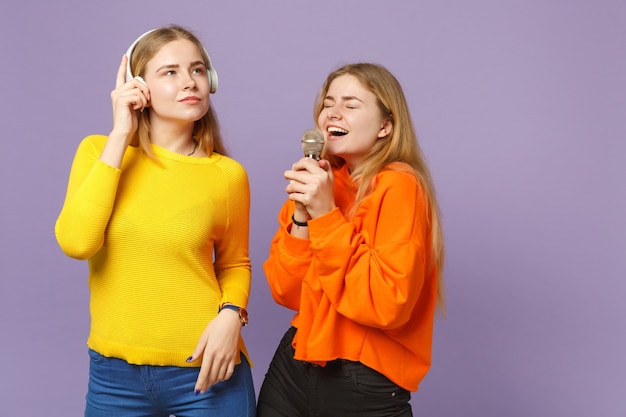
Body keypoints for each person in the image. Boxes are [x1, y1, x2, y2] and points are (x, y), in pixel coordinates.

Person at [55, 25, 255, 417]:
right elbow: (77, 243)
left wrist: (232, 314)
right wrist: (120, 135)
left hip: (207, 372)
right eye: (170, 72)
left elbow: (234, 264)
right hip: (114, 380)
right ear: (137, 86)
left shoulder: (228, 176)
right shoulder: (98, 151)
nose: (190, 82)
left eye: (197, 70)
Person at [256, 63, 445, 417]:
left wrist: (326, 215)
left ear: (386, 126)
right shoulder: (323, 183)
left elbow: (385, 303)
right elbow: (287, 292)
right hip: (294, 366)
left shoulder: (400, 186)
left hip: (362, 378)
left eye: (351, 104)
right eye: (328, 103)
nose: (333, 113)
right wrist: (302, 214)